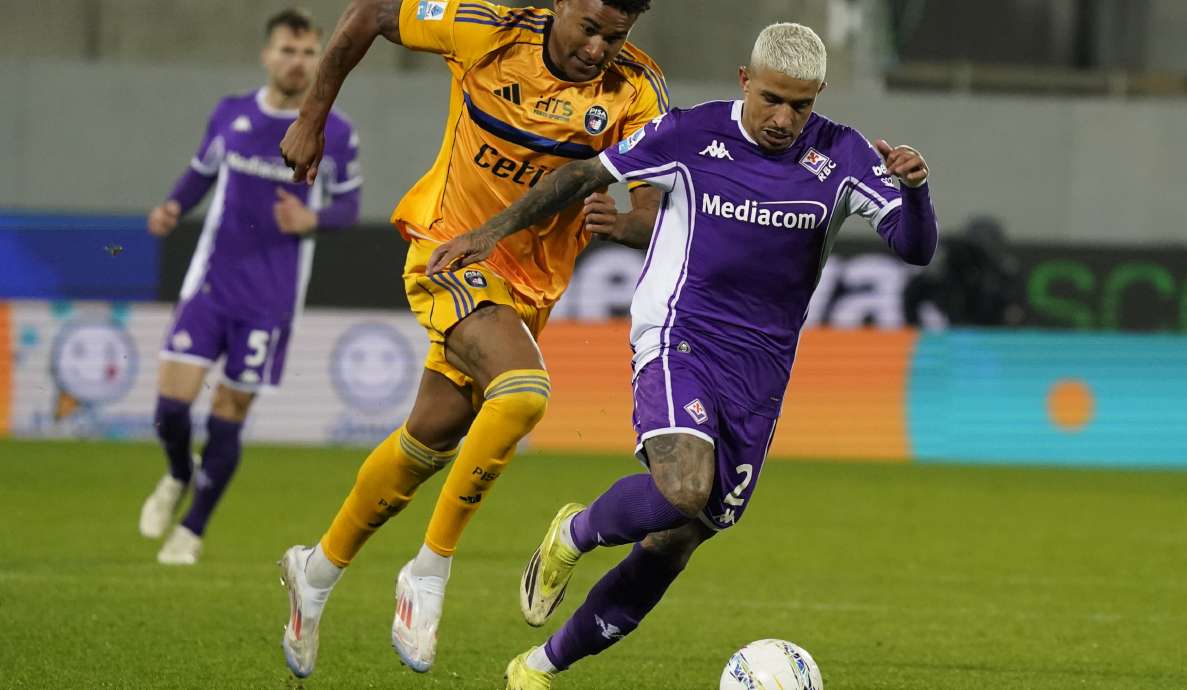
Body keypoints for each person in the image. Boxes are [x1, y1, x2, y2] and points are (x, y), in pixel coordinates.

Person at [425, 22, 939, 689]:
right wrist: (491, 233)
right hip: (679, 336)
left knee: (680, 536)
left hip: (762, 371)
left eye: (802, 105)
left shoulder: (840, 155)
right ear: (744, 81)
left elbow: (914, 246)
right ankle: (575, 533)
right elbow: (588, 173)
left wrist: (917, 187)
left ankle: (540, 667)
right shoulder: (690, 133)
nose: (785, 118)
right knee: (684, 489)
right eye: (773, 100)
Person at [275, 0, 666, 678]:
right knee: (523, 395)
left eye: (618, 36)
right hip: (449, 252)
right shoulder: (484, 27)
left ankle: (316, 569)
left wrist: (622, 223)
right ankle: (428, 571)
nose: (601, 49)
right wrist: (312, 117)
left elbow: (651, 213)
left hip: (527, 292)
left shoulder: (637, 89)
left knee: (425, 444)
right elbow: (370, 12)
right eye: (591, 29)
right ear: (560, 5)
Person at [138, 9, 362, 566]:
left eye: (309, 52)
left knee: (230, 410)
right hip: (211, 284)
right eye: (288, 50)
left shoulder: (335, 131)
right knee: (170, 408)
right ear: (268, 55)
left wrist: (313, 220)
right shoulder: (232, 113)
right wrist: (172, 204)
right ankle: (177, 472)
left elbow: (350, 207)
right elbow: (201, 171)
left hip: (271, 299)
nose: (298, 62)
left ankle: (192, 528)